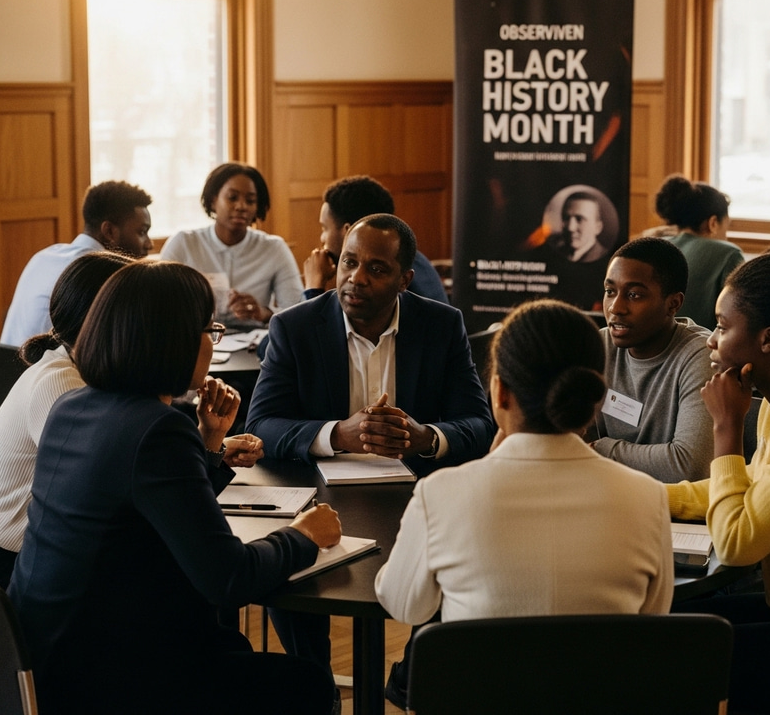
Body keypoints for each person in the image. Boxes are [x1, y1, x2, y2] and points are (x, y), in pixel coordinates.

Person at [8, 261, 341, 715]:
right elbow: (229, 578)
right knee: (308, 685)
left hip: (41, 662)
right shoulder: (157, 428)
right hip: (106, 680)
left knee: (233, 647)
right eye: (209, 329)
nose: (212, 341)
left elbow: (153, 511)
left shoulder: (73, 406)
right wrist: (303, 535)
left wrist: (208, 444)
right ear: (174, 338)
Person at [245, 213, 493, 705]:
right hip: (316, 495)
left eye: (376, 269)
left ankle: (412, 672)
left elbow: (479, 423)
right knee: (287, 570)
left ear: (405, 279)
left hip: (416, 496)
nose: (356, 278)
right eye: (348, 262)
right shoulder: (294, 327)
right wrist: (338, 433)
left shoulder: (441, 325)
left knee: (460, 561)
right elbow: (261, 424)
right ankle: (317, 686)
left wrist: (425, 437)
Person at [375, 299, 673, 625]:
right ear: (596, 399)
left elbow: (404, 606)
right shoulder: (648, 498)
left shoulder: (442, 495)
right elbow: (652, 620)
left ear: (500, 392)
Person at [668, 252, 770, 714]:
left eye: (722, 327)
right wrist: (644, 495)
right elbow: (744, 487)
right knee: (668, 624)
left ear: (768, 339)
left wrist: (726, 427)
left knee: (666, 652)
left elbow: (738, 543)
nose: (711, 340)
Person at [0, 252, 131, 589]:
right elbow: (103, 481)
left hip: (39, 551)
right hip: (14, 565)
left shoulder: (81, 371)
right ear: (102, 319)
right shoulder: (59, 381)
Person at [590, 237, 714, 483]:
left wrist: (600, 449)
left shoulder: (700, 354)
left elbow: (689, 466)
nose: (616, 308)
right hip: (607, 490)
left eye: (634, 295)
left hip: (673, 504)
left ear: (673, 304)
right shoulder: (597, 345)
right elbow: (566, 440)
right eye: (610, 292)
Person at [0, 180, 153, 346]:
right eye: (142, 232)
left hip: (8, 361)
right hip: (44, 362)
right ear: (109, 231)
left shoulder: (44, 255)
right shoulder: (97, 271)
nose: (149, 244)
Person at [160, 162, 303, 327]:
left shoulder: (274, 248)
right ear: (213, 201)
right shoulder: (184, 244)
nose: (241, 206)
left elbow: (297, 311)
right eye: (232, 198)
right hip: (197, 337)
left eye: (250, 201)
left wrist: (263, 313)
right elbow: (158, 305)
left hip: (253, 339)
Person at [302, 174, 448, 303]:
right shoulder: (407, 257)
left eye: (325, 228)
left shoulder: (386, 276)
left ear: (349, 232)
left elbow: (322, 326)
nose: (322, 238)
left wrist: (314, 286)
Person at [654, 173, 744, 329]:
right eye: (726, 226)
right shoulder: (729, 254)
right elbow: (738, 317)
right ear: (713, 223)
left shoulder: (656, 246)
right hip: (705, 342)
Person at [542, 190, 609, 263]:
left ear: (597, 228)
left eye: (579, 219)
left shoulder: (607, 258)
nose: (570, 228)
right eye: (566, 218)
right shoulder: (555, 253)